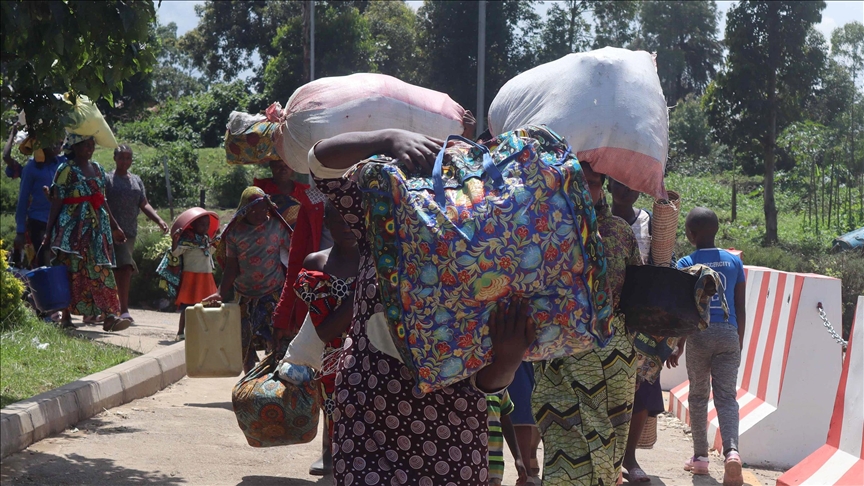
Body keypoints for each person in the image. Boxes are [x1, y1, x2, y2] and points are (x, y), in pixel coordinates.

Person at [308, 128, 535, 486]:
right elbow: (320, 161)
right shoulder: (379, 231)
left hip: (451, 445)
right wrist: (387, 138)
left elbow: (487, 383)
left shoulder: (488, 274)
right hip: (367, 431)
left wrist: (508, 362)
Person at [532, 162, 641, 486]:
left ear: (602, 186)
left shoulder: (619, 232)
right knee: (567, 451)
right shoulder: (547, 230)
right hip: (561, 356)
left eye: (592, 183)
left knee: (609, 459)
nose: (585, 189)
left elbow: (636, 293)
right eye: (577, 181)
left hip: (615, 361)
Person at [669, 207, 746, 486]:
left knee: (699, 396)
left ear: (690, 234)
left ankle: (700, 458)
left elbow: (683, 310)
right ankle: (732, 453)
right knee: (726, 397)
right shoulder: (734, 262)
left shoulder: (685, 263)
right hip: (729, 333)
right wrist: (739, 340)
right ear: (716, 230)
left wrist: (678, 346)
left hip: (698, 335)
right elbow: (740, 305)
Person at [292, 202, 360, 476]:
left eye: (351, 220)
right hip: (331, 351)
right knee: (331, 405)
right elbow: (323, 327)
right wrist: (366, 290)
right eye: (338, 220)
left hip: (374, 346)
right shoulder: (316, 263)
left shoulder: (379, 260)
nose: (346, 226)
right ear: (327, 225)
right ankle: (330, 453)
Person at [608, 178, 666, 483]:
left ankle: (630, 458)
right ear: (608, 187)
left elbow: (662, 262)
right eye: (618, 183)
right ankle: (609, 459)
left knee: (643, 387)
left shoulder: (649, 221)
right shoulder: (599, 221)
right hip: (608, 313)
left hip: (643, 315)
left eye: (630, 183)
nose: (624, 188)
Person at [42, 134, 131, 332]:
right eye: (84, 145)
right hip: (71, 228)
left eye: (91, 145)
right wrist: (48, 232)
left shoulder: (98, 169)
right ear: (74, 147)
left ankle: (109, 316)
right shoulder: (65, 169)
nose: (89, 148)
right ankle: (66, 316)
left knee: (101, 268)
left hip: (97, 228)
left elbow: (102, 199)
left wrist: (115, 226)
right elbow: (57, 200)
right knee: (71, 269)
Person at [207, 187, 292, 373]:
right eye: (253, 209)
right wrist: (220, 292)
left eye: (263, 208)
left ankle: (273, 384)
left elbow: (293, 254)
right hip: (245, 296)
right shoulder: (235, 233)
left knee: (275, 341)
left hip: (273, 293)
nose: (259, 213)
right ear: (244, 209)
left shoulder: (276, 227)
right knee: (245, 344)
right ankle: (249, 382)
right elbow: (231, 266)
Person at [105, 145, 169, 323]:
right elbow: (102, 203)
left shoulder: (136, 181)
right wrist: (113, 226)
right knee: (121, 268)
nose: (125, 161)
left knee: (123, 270)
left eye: (128, 158)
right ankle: (120, 310)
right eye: (121, 157)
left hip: (129, 233)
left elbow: (144, 203)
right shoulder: (108, 179)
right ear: (114, 158)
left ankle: (118, 309)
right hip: (110, 231)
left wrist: (159, 220)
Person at [3, 124, 66, 268]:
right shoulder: (31, 168)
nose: (58, 146)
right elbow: (23, 199)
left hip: (59, 222)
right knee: (42, 264)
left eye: (60, 143)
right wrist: (20, 230)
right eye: (53, 142)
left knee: (58, 264)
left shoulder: (62, 163)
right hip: (38, 222)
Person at [160, 211, 218, 340]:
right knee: (188, 307)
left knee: (208, 305)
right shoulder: (186, 240)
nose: (205, 227)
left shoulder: (207, 240)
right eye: (202, 224)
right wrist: (175, 240)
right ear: (193, 225)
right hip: (191, 277)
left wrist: (216, 242)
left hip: (206, 277)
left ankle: (206, 332)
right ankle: (180, 332)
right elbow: (175, 253)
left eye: (207, 224)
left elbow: (211, 252)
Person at [487, 390, 526, 486]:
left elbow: (506, 425)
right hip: (465, 461)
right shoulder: (456, 383)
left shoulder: (499, 387)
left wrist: (518, 458)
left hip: (493, 465)